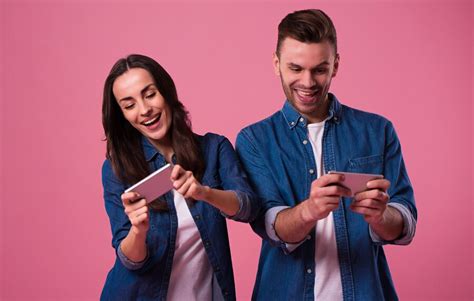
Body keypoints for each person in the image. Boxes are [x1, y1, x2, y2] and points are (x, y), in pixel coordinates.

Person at [235, 9, 417, 300]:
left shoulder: (378, 130)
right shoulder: (254, 140)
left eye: (319, 69)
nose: (308, 82)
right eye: (295, 68)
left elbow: (406, 221)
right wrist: (309, 210)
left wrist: (382, 216)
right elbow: (272, 227)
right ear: (276, 64)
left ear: (335, 65)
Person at [100, 54, 257, 300]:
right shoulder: (116, 169)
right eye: (129, 105)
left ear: (166, 91)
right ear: (123, 115)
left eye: (150, 94)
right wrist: (138, 231)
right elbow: (131, 261)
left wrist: (204, 193)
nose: (144, 110)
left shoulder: (213, 149)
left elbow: (248, 207)